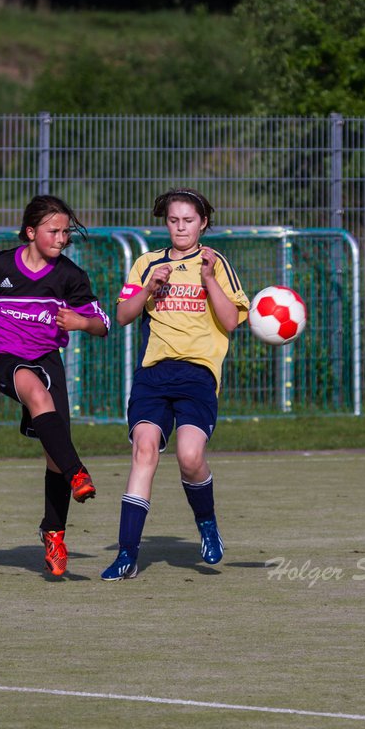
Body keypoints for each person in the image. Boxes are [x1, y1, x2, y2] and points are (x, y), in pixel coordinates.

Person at [0, 194, 110, 577]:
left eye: (66, 231)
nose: (62, 237)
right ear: (31, 232)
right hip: (2, 354)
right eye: (54, 230)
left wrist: (81, 323)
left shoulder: (70, 277)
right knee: (36, 395)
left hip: (47, 358)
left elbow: (103, 324)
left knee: (55, 452)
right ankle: (78, 472)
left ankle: (54, 533)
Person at [101, 188, 249, 581]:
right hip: (153, 376)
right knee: (144, 451)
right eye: (173, 220)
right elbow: (123, 315)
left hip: (197, 374)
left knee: (189, 456)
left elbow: (231, 322)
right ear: (165, 222)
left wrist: (207, 279)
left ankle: (207, 524)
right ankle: (127, 555)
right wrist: (150, 287)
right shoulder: (148, 262)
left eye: (188, 220)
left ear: (203, 223)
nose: (181, 227)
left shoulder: (216, 263)